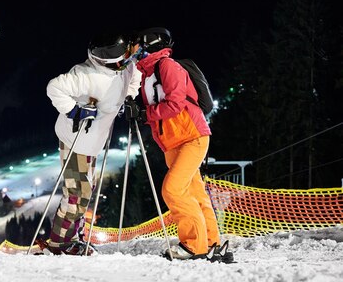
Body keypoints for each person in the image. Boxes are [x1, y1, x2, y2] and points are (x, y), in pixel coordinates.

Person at [124, 27, 230, 261]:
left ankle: (194, 245)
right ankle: (212, 242)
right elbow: (157, 112)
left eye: (135, 45)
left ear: (148, 44)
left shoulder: (167, 66)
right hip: (172, 142)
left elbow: (175, 104)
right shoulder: (148, 74)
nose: (131, 50)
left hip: (192, 136)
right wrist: (137, 111)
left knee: (172, 189)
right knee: (195, 193)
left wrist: (144, 113)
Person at [38, 33, 142, 255]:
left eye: (125, 57)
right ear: (104, 60)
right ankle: (60, 243)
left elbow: (135, 77)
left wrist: (128, 98)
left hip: (94, 141)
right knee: (78, 193)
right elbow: (54, 88)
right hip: (76, 140)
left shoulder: (124, 68)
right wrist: (74, 110)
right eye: (120, 59)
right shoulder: (85, 74)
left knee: (85, 190)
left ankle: (73, 236)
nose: (125, 62)